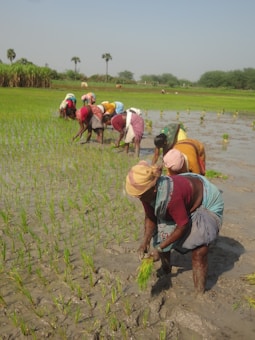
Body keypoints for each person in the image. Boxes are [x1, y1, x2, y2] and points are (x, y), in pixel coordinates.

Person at [125, 161, 224, 294]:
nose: (139, 198)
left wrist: (159, 249)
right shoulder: (146, 194)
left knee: (200, 251)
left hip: (205, 201)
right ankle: (166, 269)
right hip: (185, 198)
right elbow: (150, 217)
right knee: (162, 236)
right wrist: (145, 242)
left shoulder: (171, 197)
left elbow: (183, 225)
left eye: (140, 195)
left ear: (153, 188)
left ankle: (200, 293)